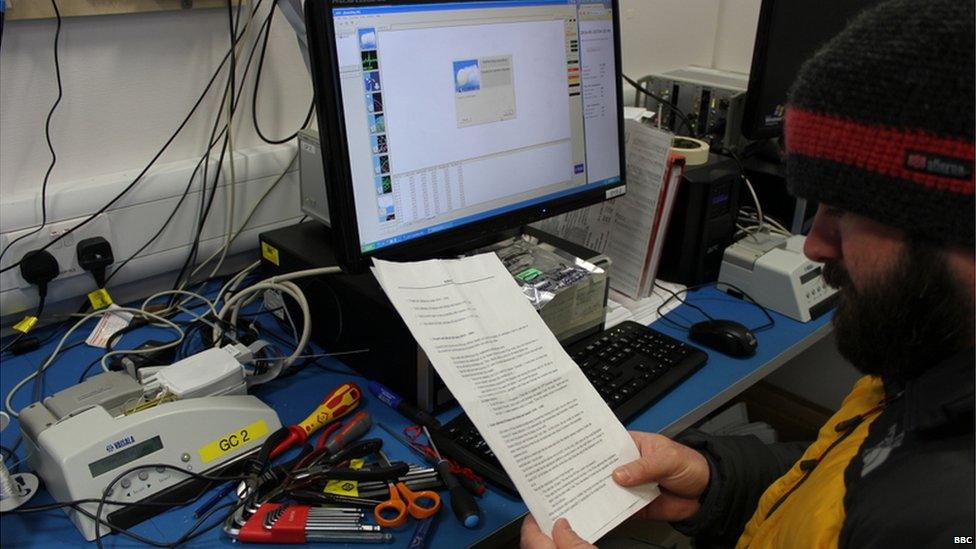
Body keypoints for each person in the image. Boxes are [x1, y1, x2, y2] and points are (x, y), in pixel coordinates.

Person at [522, 0, 975, 547]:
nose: (815, 244)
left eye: (844, 210)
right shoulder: (929, 365)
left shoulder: (946, 519)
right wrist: (716, 483)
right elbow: (836, 481)